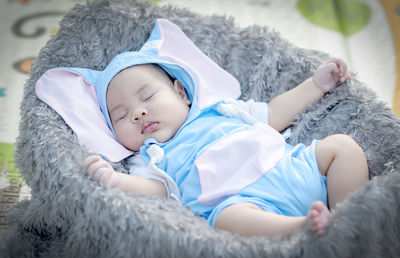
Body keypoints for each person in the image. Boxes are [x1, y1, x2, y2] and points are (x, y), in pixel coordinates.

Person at [83, 57, 368, 238]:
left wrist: (316, 85)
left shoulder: (222, 110)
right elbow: (159, 190)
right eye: (121, 115)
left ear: (181, 92)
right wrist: (115, 179)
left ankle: (349, 221)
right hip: (247, 205)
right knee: (225, 219)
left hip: (292, 168)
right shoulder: (151, 157)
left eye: (147, 96)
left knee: (341, 147)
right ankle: (300, 229)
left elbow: (273, 115)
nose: (138, 113)